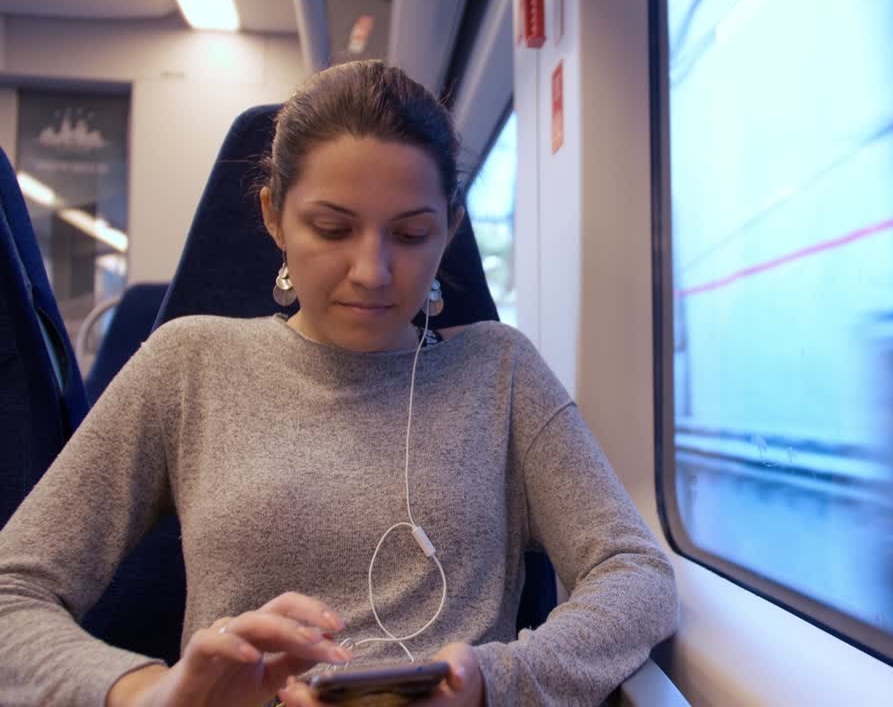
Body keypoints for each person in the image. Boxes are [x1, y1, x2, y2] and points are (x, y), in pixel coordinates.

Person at [0, 60, 678, 707]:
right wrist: (151, 693)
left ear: (451, 229)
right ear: (274, 218)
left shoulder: (500, 373)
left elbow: (636, 575)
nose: (373, 271)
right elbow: (12, 594)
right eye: (332, 228)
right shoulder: (188, 365)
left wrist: (497, 684)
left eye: (412, 234)